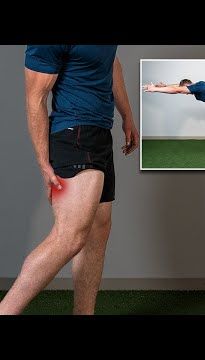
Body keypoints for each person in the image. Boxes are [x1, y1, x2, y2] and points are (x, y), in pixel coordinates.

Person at [0, 45, 139, 315]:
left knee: (98, 229)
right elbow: (35, 98)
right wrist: (44, 162)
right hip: (73, 134)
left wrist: (127, 115)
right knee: (70, 235)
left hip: (100, 133)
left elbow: (111, 62)